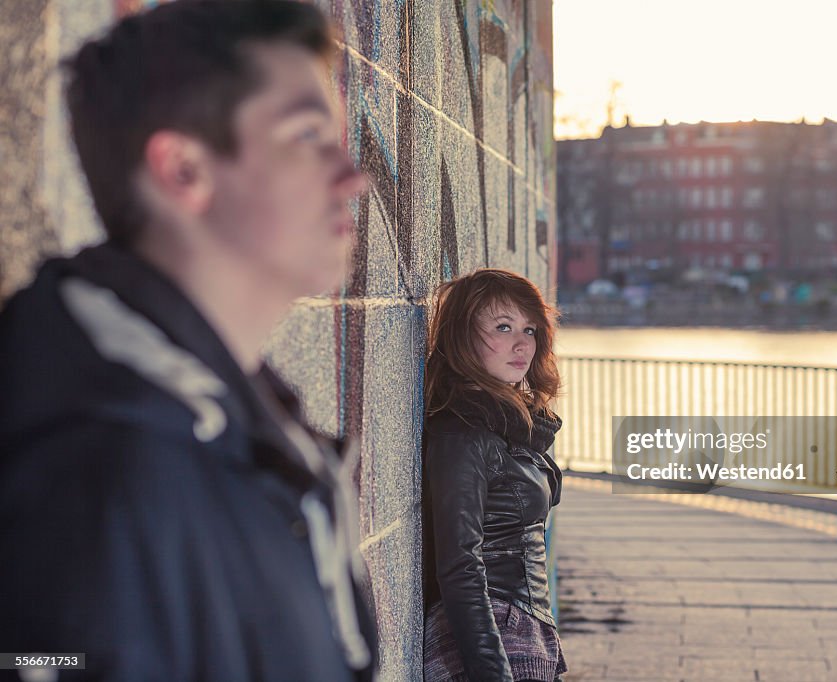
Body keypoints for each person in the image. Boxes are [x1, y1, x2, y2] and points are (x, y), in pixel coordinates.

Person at [0, 2, 377, 680]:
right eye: (309, 135)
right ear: (182, 172)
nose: (354, 177)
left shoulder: (249, 433)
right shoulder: (95, 472)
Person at [421, 268, 568, 682]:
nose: (522, 344)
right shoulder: (465, 432)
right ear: (463, 336)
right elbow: (459, 563)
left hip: (524, 629)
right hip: (495, 634)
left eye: (530, 329)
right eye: (503, 327)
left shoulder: (506, 426)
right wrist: (491, 669)